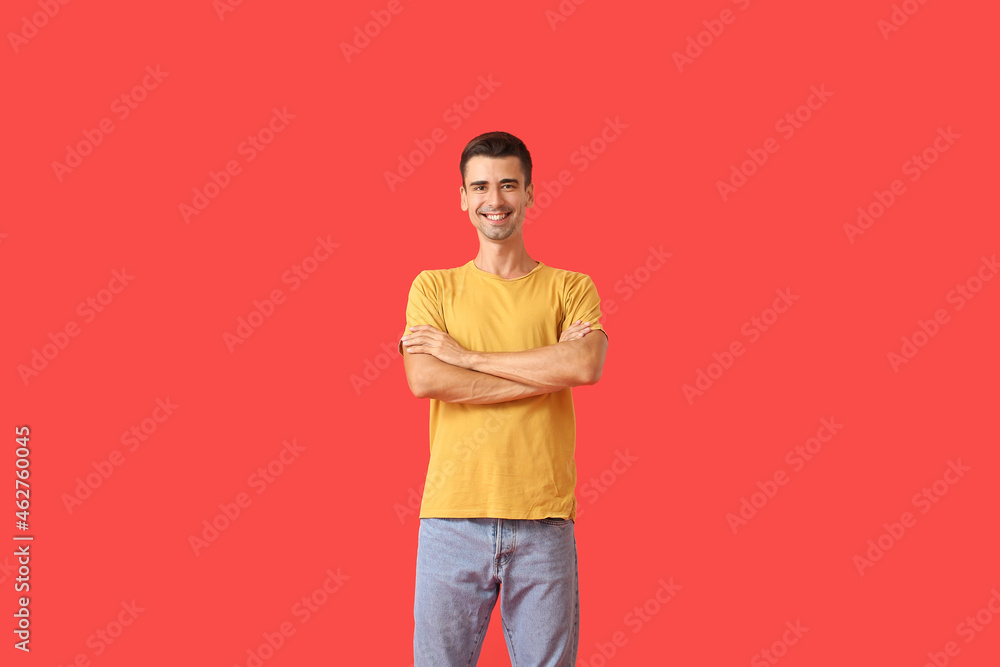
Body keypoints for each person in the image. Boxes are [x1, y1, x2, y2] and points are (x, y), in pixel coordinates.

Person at [398, 130, 608, 666]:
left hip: (544, 523)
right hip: (451, 521)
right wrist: (545, 370)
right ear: (463, 197)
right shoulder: (433, 288)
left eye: (509, 185)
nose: (496, 200)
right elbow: (425, 380)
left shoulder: (571, 288)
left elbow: (584, 364)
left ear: (531, 193)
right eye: (482, 187)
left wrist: (464, 357)